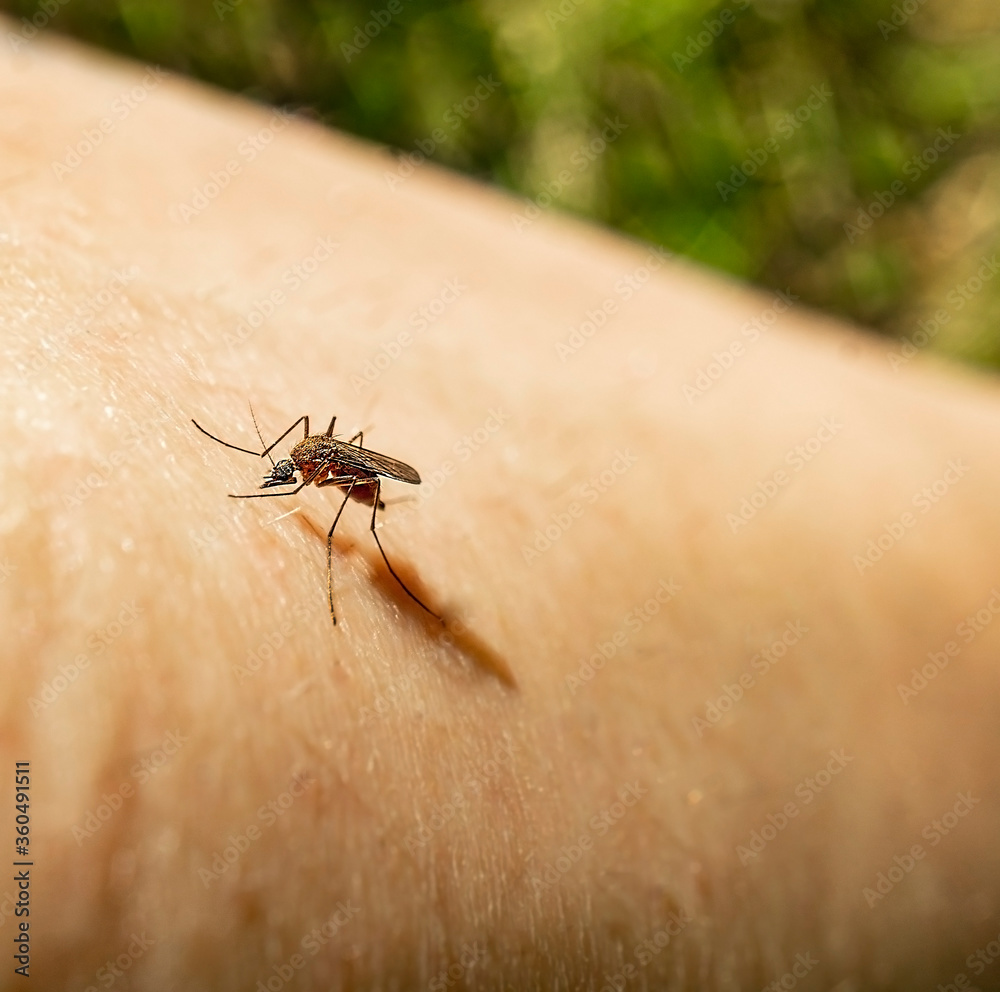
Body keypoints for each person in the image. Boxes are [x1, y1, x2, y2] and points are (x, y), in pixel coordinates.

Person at [4, 24, 999, 991]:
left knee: (337, 528)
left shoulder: (334, 480)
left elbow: (339, 470)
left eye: (297, 471)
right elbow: (307, 447)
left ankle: (371, 576)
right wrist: (264, 462)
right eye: (297, 470)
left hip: (369, 483)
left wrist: (338, 534)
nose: (302, 475)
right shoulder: (304, 456)